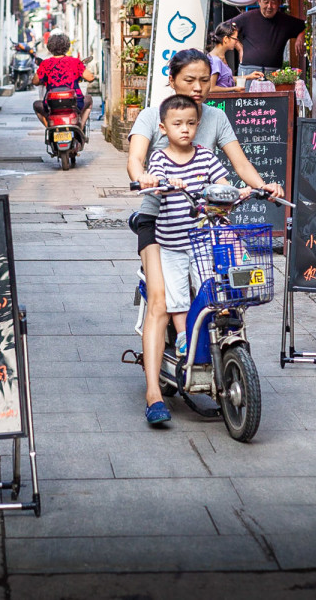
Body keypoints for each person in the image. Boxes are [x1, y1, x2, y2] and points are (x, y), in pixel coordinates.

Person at [127, 49, 282, 425]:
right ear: (172, 79)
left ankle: (219, 353)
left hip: (204, 219)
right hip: (159, 220)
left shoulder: (215, 117)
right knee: (162, 302)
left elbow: (237, 163)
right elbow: (135, 161)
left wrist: (262, 186)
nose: (198, 88)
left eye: (204, 80)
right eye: (189, 80)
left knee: (229, 282)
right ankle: (152, 393)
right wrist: (146, 177)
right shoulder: (155, 116)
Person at [142, 94, 252, 425]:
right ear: (163, 128)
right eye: (177, 124)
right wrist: (159, 182)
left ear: (198, 125)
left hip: (203, 240)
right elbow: (152, 181)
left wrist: (236, 191)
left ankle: (218, 344)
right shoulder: (160, 158)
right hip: (171, 243)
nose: (185, 130)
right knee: (175, 296)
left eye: (191, 124)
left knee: (213, 289)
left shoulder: (204, 156)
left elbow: (222, 180)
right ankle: (184, 336)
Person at [228, 0, 306, 77]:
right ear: (259, 2)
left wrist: (302, 34)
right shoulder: (247, 17)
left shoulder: (285, 21)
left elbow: (309, 25)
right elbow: (224, 28)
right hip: (249, 72)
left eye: (273, 2)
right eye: (266, 2)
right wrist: (239, 47)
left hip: (273, 74)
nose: (269, 6)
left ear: (279, 3)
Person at [32, 31, 95, 134]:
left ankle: (50, 128)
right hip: (74, 103)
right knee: (89, 100)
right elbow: (90, 77)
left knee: (36, 105)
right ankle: (80, 128)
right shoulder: (75, 62)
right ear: (67, 47)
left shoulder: (45, 64)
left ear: (50, 47)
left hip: (51, 105)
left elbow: (35, 81)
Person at [205, 21, 263, 93]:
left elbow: (227, 79)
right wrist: (233, 89)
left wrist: (248, 76)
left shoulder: (221, 57)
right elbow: (211, 88)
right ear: (226, 39)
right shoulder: (215, 60)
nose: (236, 42)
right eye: (235, 39)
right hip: (220, 103)